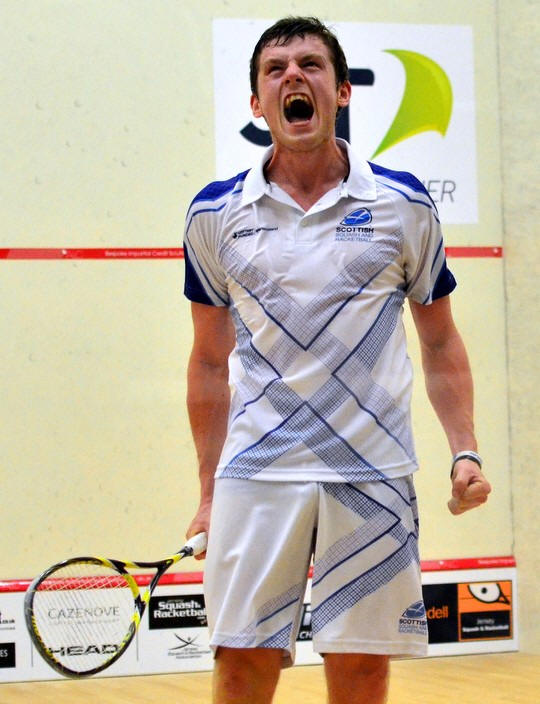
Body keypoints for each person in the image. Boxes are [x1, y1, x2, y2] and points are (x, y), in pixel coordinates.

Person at [182, 16, 491, 704]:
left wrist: (464, 450)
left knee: (361, 669)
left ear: (343, 91)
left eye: (311, 64)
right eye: (275, 69)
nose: (293, 75)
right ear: (257, 103)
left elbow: (440, 340)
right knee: (241, 666)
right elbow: (207, 363)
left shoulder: (403, 204)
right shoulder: (214, 213)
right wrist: (207, 493)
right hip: (258, 470)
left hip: (372, 470)